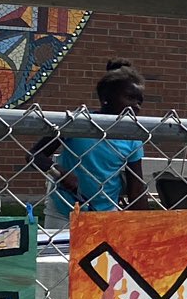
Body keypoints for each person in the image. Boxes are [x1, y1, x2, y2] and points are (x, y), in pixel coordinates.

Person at [44, 60, 148, 222]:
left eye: (139, 101)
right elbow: (35, 155)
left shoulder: (132, 137)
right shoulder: (78, 123)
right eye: (129, 98)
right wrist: (60, 172)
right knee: (63, 248)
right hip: (64, 210)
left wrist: (145, 224)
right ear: (105, 97)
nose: (136, 106)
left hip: (104, 212)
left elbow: (136, 188)